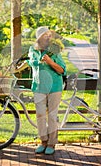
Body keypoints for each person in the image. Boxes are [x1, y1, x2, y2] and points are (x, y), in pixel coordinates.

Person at [16, 26, 66, 155]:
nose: (49, 37)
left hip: (54, 87)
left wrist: (50, 61)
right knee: (40, 116)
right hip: (38, 87)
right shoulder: (32, 49)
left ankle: (51, 143)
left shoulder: (54, 50)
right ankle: (43, 141)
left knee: (52, 117)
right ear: (39, 38)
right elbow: (30, 62)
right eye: (45, 35)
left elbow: (62, 70)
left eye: (49, 35)